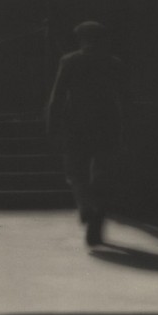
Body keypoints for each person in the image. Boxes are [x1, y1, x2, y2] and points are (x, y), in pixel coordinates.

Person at [47, 21, 128, 246]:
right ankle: (97, 219)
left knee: (75, 171)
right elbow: (126, 99)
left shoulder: (69, 61)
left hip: (76, 125)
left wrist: (52, 126)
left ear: (80, 39)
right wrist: (126, 128)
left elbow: (57, 96)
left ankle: (85, 205)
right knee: (103, 173)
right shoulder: (114, 63)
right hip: (109, 124)